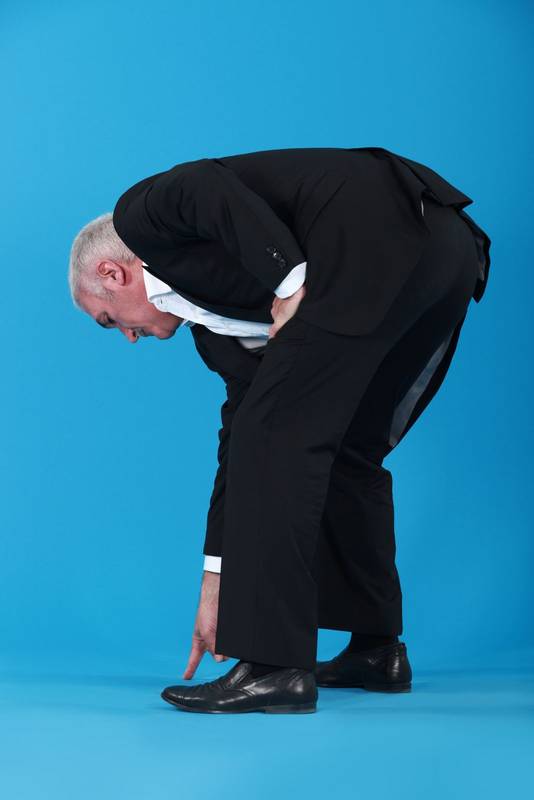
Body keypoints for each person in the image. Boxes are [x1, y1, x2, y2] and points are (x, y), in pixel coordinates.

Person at [68, 146, 491, 714]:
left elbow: (206, 186)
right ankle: (375, 648)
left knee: (274, 437)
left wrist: (290, 284)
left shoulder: (143, 213)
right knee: (343, 450)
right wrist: (217, 579)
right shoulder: (216, 335)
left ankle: (273, 665)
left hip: (381, 232)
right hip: (440, 256)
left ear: (111, 273)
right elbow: (237, 443)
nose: (125, 335)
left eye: (107, 319)